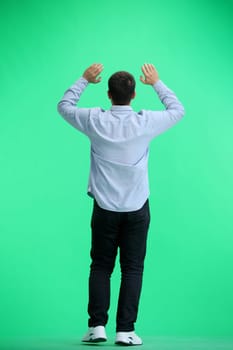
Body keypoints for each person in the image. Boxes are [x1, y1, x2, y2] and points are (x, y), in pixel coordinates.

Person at [57, 63, 185, 346]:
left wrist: (82, 80)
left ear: (108, 95)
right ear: (134, 94)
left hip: (104, 208)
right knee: (132, 268)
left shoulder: (94, 119)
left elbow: (64, 106)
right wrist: (157, 83)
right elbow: (177, 110)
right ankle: (125, 331)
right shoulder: (146, 121)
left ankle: (97, 327)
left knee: (101, 266)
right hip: (137, 208)